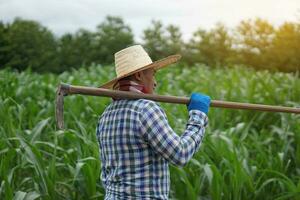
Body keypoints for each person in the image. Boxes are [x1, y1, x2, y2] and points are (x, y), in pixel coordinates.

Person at [96, 45, 210, 199]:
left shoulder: (106, 115)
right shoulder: (145, 109)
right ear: (138, 75)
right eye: (153, 74)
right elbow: (180, 154)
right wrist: (198, 115)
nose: (155, 82)